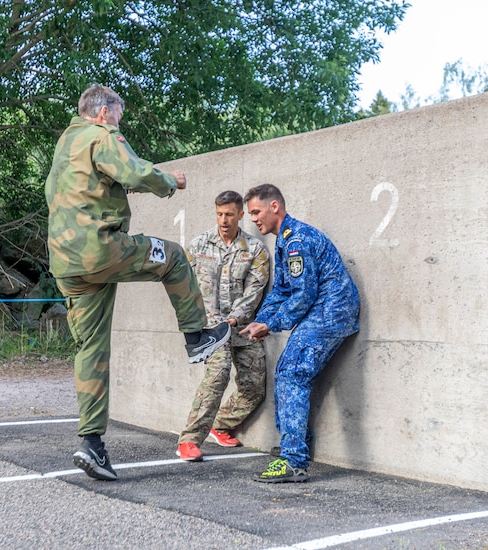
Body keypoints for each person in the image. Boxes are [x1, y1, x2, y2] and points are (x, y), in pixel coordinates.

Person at [45, 85, 230, 481]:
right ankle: (197, 337)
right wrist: (169, 181)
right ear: (104, 111)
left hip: (66, 264)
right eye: (118, 114)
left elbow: (93, 186)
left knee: (91, 348)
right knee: (175, 256)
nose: (119, 121)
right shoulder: (101, 135)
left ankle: (91, 444)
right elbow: (132, 169)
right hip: (101, 250)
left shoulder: (67, 145)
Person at [240, 184, 360, 483]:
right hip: (321, 311)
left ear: (275, 207)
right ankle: (295, 448)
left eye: (256, 211)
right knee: (287, 371)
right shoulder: (284, 241)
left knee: (292, 373)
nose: (253, 219)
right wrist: (261, 320)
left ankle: (294, 460)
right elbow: (282, 289)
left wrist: (273, 324)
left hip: (330, 312)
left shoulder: (297, 240)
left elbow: (304, 293)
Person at [176, 190, 270, 461]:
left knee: (254, 387)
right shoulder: (198, 245)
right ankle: (189, 440)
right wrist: (191, 319)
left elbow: (254, 292)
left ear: (241, 215)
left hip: (241, 327)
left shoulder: (255, 250)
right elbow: (180, 281)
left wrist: (235, 318)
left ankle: (222, 424)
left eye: (229, 214)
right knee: (218, 374)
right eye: (219, 214)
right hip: (210, 331)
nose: (224, 220)